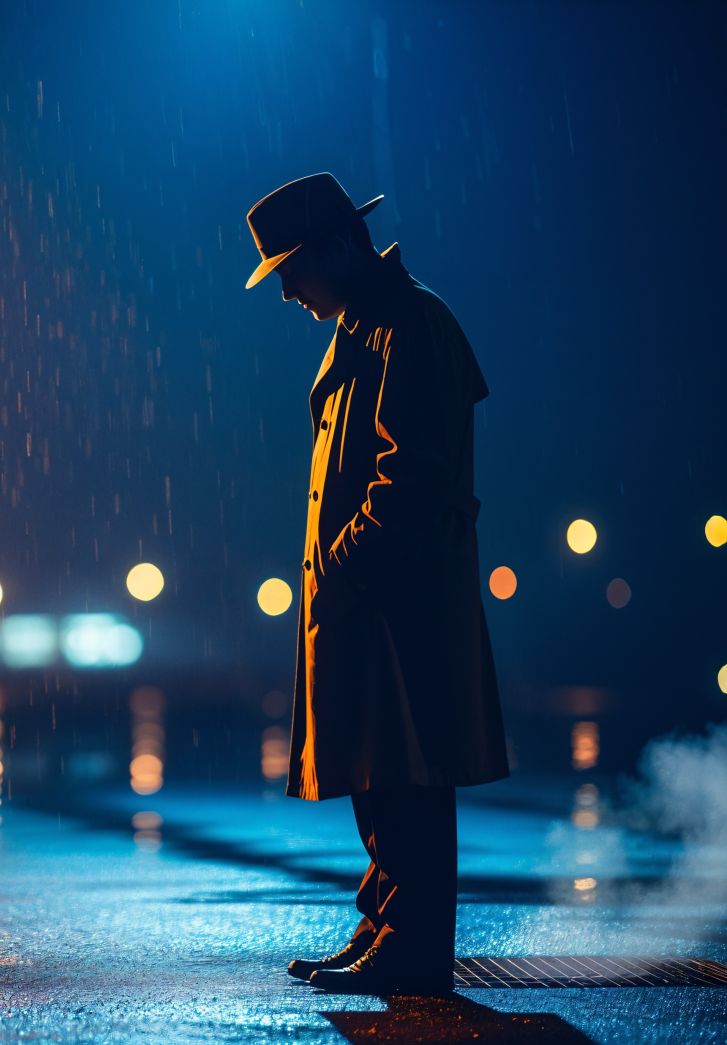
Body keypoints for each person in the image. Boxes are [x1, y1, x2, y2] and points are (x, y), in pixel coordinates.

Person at [243, 172, 509, 995]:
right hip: (376, 598)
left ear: (339, 247)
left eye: (293, 270)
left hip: (398, 600)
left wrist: (348, 563)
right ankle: (386, 927)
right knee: (380, 774)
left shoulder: (408, 324)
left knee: (407, 776)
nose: (288, 291)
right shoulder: (374, 323)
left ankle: (410, 942)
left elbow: (410, 473)